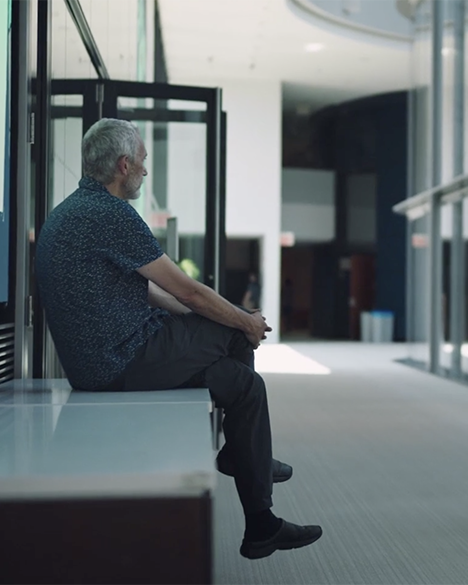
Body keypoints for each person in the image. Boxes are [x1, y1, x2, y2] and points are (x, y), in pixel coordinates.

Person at [35, 118, 322, 560]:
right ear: (123, 164)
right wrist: (241, 321)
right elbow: (185, 287)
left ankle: (259, 519)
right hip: (120, 361)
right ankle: (241, 456)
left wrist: (199, 318)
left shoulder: (70, 212)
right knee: (236, 329)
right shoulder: (111, 215)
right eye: (144, 162)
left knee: (243, 384)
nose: (146, 172)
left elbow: (147, 288)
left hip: (99, 360)